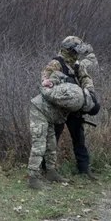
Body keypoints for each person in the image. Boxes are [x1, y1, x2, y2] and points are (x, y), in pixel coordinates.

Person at [42, 36, 100, 180]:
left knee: (79, 138)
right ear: (69, 49)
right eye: (75, 50)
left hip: (75, 108)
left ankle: (84, 170)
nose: (77, 53)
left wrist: (90, 93)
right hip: (59, 109)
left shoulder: (77, 65)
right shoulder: (56, 63)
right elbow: (46, 80)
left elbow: (85, 78)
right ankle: (46, 170)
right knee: (53, 139)